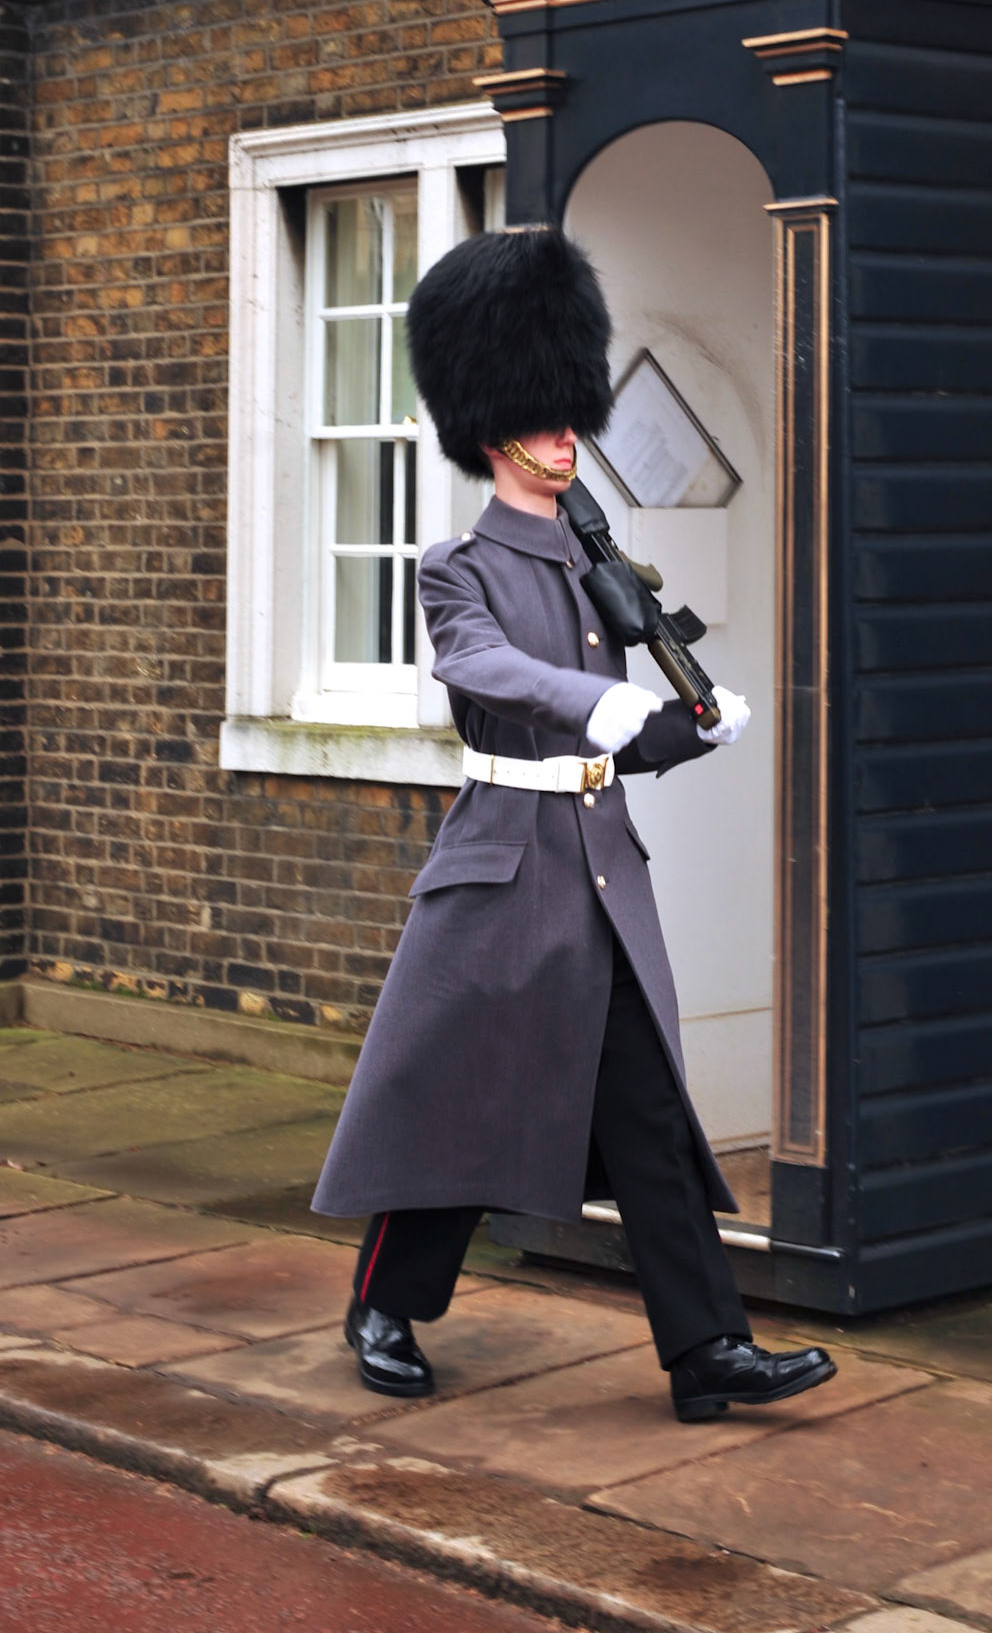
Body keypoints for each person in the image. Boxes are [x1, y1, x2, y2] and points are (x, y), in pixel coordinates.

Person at [311, 224, 834, 1424]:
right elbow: (482, 667)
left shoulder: (595, 563)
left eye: (570, 420)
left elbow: (614, 739)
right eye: (545, 423)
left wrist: (689, 726)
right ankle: (384, 1303)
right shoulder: (459, 565)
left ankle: (708, 1352)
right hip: (502, 872)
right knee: (454, 1094)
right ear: (494, 431)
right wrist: (600, 702)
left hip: (598, 871)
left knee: (649, 1114)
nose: (566, 438)